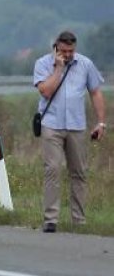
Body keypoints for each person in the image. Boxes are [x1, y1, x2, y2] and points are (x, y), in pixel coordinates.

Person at [33, 31, 106, 233]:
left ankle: (79, 221)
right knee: (52, 170)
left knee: (79, 172)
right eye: (64, 51)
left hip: (77, 125)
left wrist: (101, 123)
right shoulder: (42, 64)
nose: (68, 55)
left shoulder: (85, 64)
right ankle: (50, 220)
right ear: (56, 48)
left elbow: (95, 92)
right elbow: (46, 91)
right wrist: (58, 68)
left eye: (71, 51)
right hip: (51, 124)